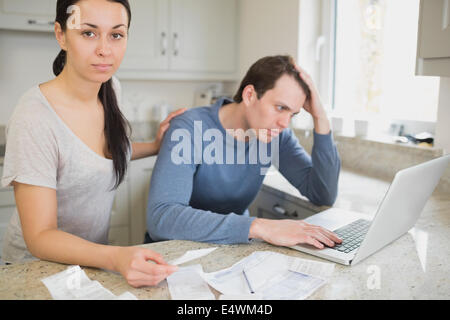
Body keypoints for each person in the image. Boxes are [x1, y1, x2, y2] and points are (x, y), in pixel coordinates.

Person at [1, 0, 185, 288]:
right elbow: (40, 236)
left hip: (90, 263)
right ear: (61, 35)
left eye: (116, 34)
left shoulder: (111, 88)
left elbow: (104, 153)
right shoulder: (34, 118)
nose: (105, 49)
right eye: (88, 33)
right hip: (35, 272)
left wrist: (156, 145)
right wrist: (116, 257)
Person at [146, 55, 343, 249]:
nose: (284, 123)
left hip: (231, 249)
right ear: (249, 95)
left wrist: (320, 116)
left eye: (292, 114)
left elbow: (323, 194)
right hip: (176, 252)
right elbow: (162, 219)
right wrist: (258, 226)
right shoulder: (189, 127)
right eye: (280, 107)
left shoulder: (276, 136)